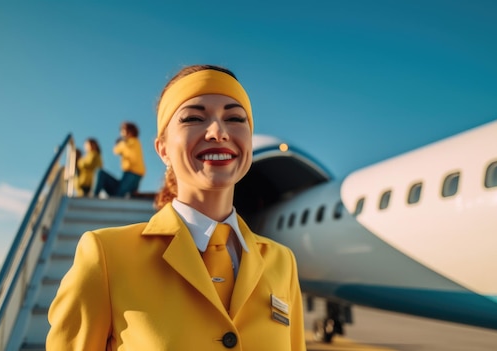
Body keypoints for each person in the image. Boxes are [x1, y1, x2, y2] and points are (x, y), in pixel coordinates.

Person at [46, 64, 306, 350]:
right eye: (194, 117)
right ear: (163, 149)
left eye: (235, 118)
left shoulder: (284, 263)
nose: (218, 132)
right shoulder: (105, 256)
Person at [92, 122, 145, 198]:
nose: (122, 133)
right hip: (128, 174)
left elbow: (116, 150)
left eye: (123, 131)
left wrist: (119, 142)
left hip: (133, 174)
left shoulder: (133, 142)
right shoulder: (131, 143)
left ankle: (94, 197)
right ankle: (94, 195)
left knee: (118, 195)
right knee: (101, 173)